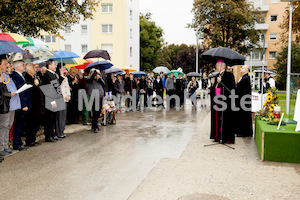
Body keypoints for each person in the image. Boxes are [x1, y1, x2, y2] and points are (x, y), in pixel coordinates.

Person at [210, 60, 235, 144]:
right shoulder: (217, 75)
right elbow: (215, 89)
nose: (216, 67)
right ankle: (217, 136)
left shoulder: (229, 75)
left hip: (225, 100)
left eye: (217, 65)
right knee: (217, 119)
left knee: (225, 119)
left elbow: (230, 89)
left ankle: (225, 137)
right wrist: (212, 84)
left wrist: (221, 82)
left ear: (222, 66)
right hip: (217, 100)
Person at [10, 60, 32, 151]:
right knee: (18, 125)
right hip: (20, 105)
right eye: (23, 65)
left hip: (23, 103)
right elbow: (20, 92)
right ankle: (17, 144)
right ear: (18, 67)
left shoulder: (20, 76)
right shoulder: (15, 76)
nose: (24, 67)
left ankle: (18, 143)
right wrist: (23, 105)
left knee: (21, 124)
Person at [0, 56, 18, 157]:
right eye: (5, 64)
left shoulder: (5, 75)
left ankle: (5, 146)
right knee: (3, 126)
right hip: (2, 105)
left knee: (7, 125)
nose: (7, 65)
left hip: (7, 104)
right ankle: (1, 147)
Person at [23, 63, 44, 147]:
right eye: (33, 68)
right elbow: (29, 90)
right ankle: (30, 140)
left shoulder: (34, 77)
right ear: (28, 69)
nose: (35, 69)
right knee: (30, 124)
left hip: (37, 105)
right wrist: (35, 85)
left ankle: (33, 139)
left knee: (36, 123)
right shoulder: (26, 77)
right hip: (32, 105)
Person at [41, 59, 61, 142]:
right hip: (50, 101)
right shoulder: (47, 75)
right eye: (54, 64)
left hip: (55, 99)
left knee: (53, 119)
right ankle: (48, 136)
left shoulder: (53, 75)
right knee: (49, 119)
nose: (55, 66)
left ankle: (52, 134)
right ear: (49, 65)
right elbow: (48, 89)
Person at [235, 65, 253, 137]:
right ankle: (241, 131)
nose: (240, 69)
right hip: (242, 100)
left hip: (243, 100)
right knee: (242, 116)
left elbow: (240, 89)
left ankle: (244, 132)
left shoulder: (246, 78)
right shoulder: (243, 77)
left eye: (242, 68)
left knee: (244, 117)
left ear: (246, 70)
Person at [86, 69, 106, 133]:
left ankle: (95, 125)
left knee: (99, 111)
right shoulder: (88, 79)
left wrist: (99, 78)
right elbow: (91, 78)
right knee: (95, 111)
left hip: (100, 96)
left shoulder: (98, 80)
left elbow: (104, 84)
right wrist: (95, 72)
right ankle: (95, 126)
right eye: (96, 73)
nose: (97, 74)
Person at [55, 63, 71, 138]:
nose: (65, 69)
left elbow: (67, 87)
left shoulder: (65, 77)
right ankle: (58, 132)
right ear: (60, 69)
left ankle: (62, 131)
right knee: (59, 117)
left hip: (66, 99)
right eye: (63, 67)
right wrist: (61, 76)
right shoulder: (57, 76)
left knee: (63, 116)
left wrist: (68, 95)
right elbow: (57, 87)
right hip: (60, 99)